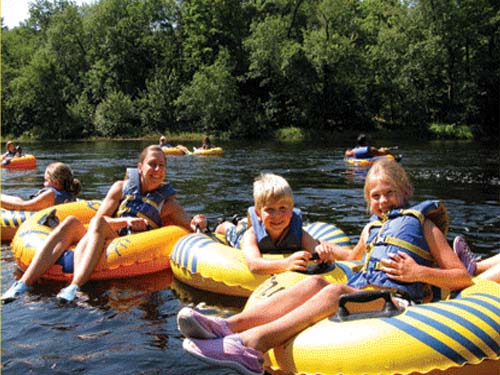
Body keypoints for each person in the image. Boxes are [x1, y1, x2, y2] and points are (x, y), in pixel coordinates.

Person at [177, 158, 472, 375]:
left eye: (389, 193)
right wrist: (331, 252)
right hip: (367, 289)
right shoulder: (373, 229)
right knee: (316, 284)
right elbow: (354, 257)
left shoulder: (425, 225)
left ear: (405, 191)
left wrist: (418, 272)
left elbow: (460, 277)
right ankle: (227, 326)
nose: (383, 201)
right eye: (375, 196)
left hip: (400, 301)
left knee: (336, 293)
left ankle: (250, 345)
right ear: (368, 201)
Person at [2, 145, 207, 303]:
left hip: (128, 244)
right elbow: (97, 220)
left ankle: (74, 287)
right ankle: (22, 284)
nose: (157, 169)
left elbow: (192, 226)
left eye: (162, 165)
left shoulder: (168, 205)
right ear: (140, 167)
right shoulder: (120, 188)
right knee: (71, 221)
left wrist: (200, 221)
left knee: (98, 224)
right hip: (107, 232)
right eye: (152, 164)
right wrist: (124, 221)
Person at [215, 173, 342, 274]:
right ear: (258, 214)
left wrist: (323, 253)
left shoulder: (298, 233)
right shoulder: (251, 235)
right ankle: (225, 224)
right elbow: (254, 265)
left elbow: (315, 252)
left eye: (282, 208)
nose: (277, 215)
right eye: (270, 209)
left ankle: (241, 220)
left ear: (291, 210)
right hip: (241, 235)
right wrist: (285, 264)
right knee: (232, 231)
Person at [1, 162, 81, 211]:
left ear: (56, 182)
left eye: (46, 180)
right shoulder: (70, 194)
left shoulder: (50, 194)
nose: (44, 184)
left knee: (16, 201)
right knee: (16, 199)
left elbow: (23, 207)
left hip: (30, 216)